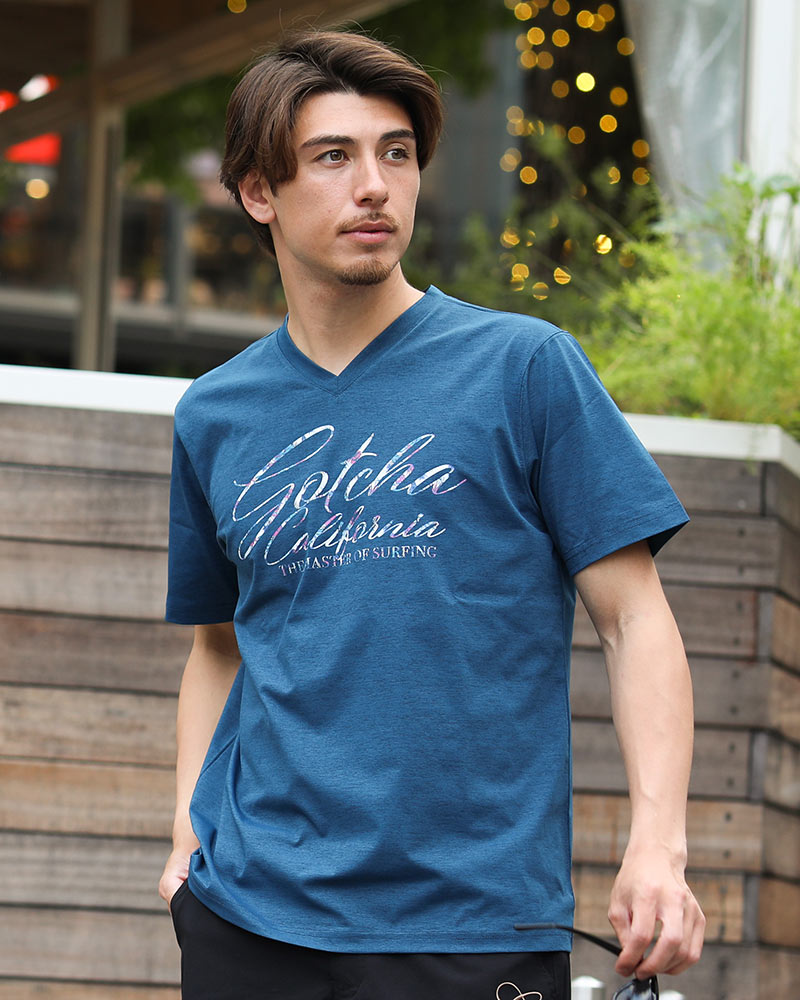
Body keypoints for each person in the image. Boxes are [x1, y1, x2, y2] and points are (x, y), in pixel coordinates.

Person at [159, 28, 705, 1000]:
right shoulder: (215, 414)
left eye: (397, 153)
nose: (375, 186)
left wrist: (657, 845)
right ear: (257, 192)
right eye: (333, 157)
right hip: (250, 916)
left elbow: (633, 619)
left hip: (475, 922)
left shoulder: (524, 369)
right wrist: (183, 841)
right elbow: (217, 647)